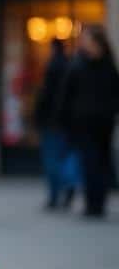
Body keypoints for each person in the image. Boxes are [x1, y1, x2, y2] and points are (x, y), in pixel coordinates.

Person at [58, 24, 119, 219]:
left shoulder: (108, 66)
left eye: (89, 40)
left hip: (104, 123)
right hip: (82, 123)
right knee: (88, 162)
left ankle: (98, 202)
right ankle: (92, 203)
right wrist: (65, 121)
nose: (85, 44)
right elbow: (66, 95)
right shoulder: (78, 64)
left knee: (100, 161)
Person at [35, 39, 78, 210]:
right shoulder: (71, 65)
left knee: (52, 159)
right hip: (67, 122)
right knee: (64, 157)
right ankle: (67, 186)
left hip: (52, 121)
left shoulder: (52, 67)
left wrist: (39, 117)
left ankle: (56, 194)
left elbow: (46, 96)